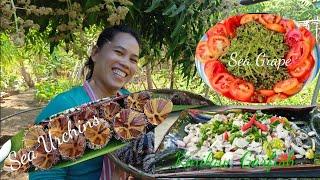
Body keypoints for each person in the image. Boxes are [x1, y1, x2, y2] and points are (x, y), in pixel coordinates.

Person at [29, 25, 140, 180]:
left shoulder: (131, 102)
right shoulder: (65, 105)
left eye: (133, 60)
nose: (126, 64)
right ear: (95, 53)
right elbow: (44, 174)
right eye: (119, 52)